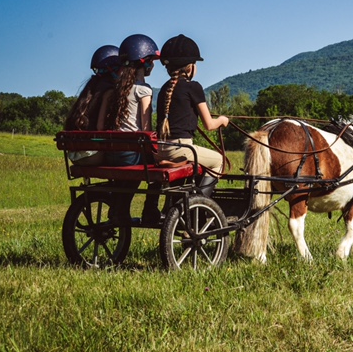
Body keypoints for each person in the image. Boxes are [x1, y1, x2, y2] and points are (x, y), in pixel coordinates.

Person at [97, 34, 161, 225]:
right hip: (131, 155)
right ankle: (150, 209)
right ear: (145, 63)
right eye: (151, 61)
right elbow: (147, 129)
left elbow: (101, 127)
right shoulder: (144, 91)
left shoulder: (113, 90)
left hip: (112, 154)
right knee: (160, 165)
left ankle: (119, 209)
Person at [155, 34, 229, 196]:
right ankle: (201, 200)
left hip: (160, 149)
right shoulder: (193, 87)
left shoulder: (163, 91)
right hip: (182, 148)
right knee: (219, 161)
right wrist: (222, 120)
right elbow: (209, 125)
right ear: (190, 67)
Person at [64, 45, 121, 165]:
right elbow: (100, 127)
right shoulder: (109, 92)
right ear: (114, 70)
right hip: (93, 156)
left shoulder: (89, 90)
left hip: (75, 157)